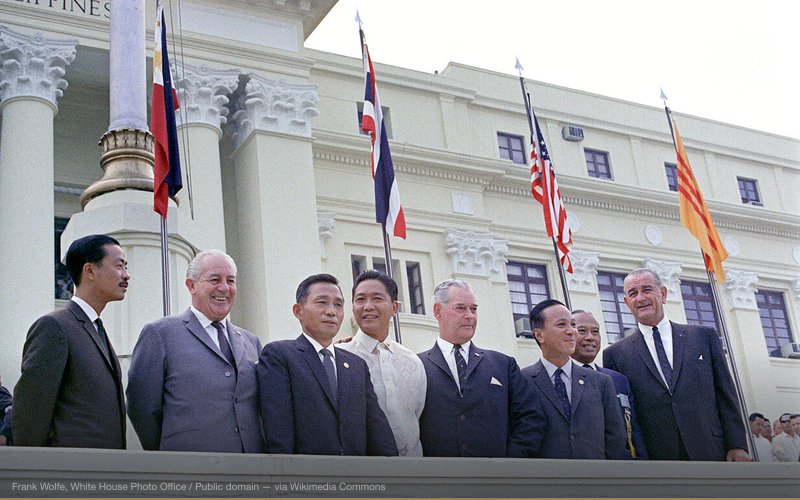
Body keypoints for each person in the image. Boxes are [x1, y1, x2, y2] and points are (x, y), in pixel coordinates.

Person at [603, 268, 750, 461]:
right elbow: (623, 416)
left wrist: (737, 444)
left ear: (662, 294)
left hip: (711, 449)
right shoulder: (615, 354)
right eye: (633, 293)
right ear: (627, 302)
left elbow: (725, 394)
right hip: (657, 459)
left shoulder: (703, 337)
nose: (640, 298)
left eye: (647, 290)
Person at [127, 250, 263, 453]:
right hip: (189, 466)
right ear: (192, 286)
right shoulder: (160, 333)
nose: (224, 287)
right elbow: (142, 406)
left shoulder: (252, 342)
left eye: (231, 280)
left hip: (250, 467)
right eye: (214, 279)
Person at [258, 273, 397, 456]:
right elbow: (278, 430)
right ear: (298, 311)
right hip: (306, 477)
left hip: (357, 479)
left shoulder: (356, 365)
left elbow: (378, 431)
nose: (331, 311)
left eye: (338, 305)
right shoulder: (280, 356)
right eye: (322, 302)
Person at [13, 234, 129, 448]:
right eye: (119, 266)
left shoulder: (96, 329)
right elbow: (32, 411)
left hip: (105, 469)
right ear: (90, 271)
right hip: (69, 471)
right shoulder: (54, 327)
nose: (126, 275)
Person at [418, 279, 542, 457]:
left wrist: (510, 460)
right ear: (438, 311)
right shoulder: (417, 366)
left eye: (473, 309)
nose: (470, 316)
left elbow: (531, 418)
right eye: (460, 308)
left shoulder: (503, 365)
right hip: (439, 479)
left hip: (496, 479)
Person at [337, 270, 426, 456]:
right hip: (363, 473)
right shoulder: (339, 358)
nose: (368, 306)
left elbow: (416, 415)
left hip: (412, 473)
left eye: (377, 299)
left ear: (394, 307)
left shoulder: (413, 362)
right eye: (360, 299)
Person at [521, 300, 625, 459]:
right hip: (544, 479)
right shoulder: (522, 381)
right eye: (562, 325)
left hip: (594, 478)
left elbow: (615, 438)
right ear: (539, 335)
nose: (571, 331)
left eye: (573, 325)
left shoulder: (601, 382)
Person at [570, 309, 647, 459]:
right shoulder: (559, 379)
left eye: (595, 332)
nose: (590, 338)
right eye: (582, 331)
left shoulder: (618, 380)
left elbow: (634, 430)